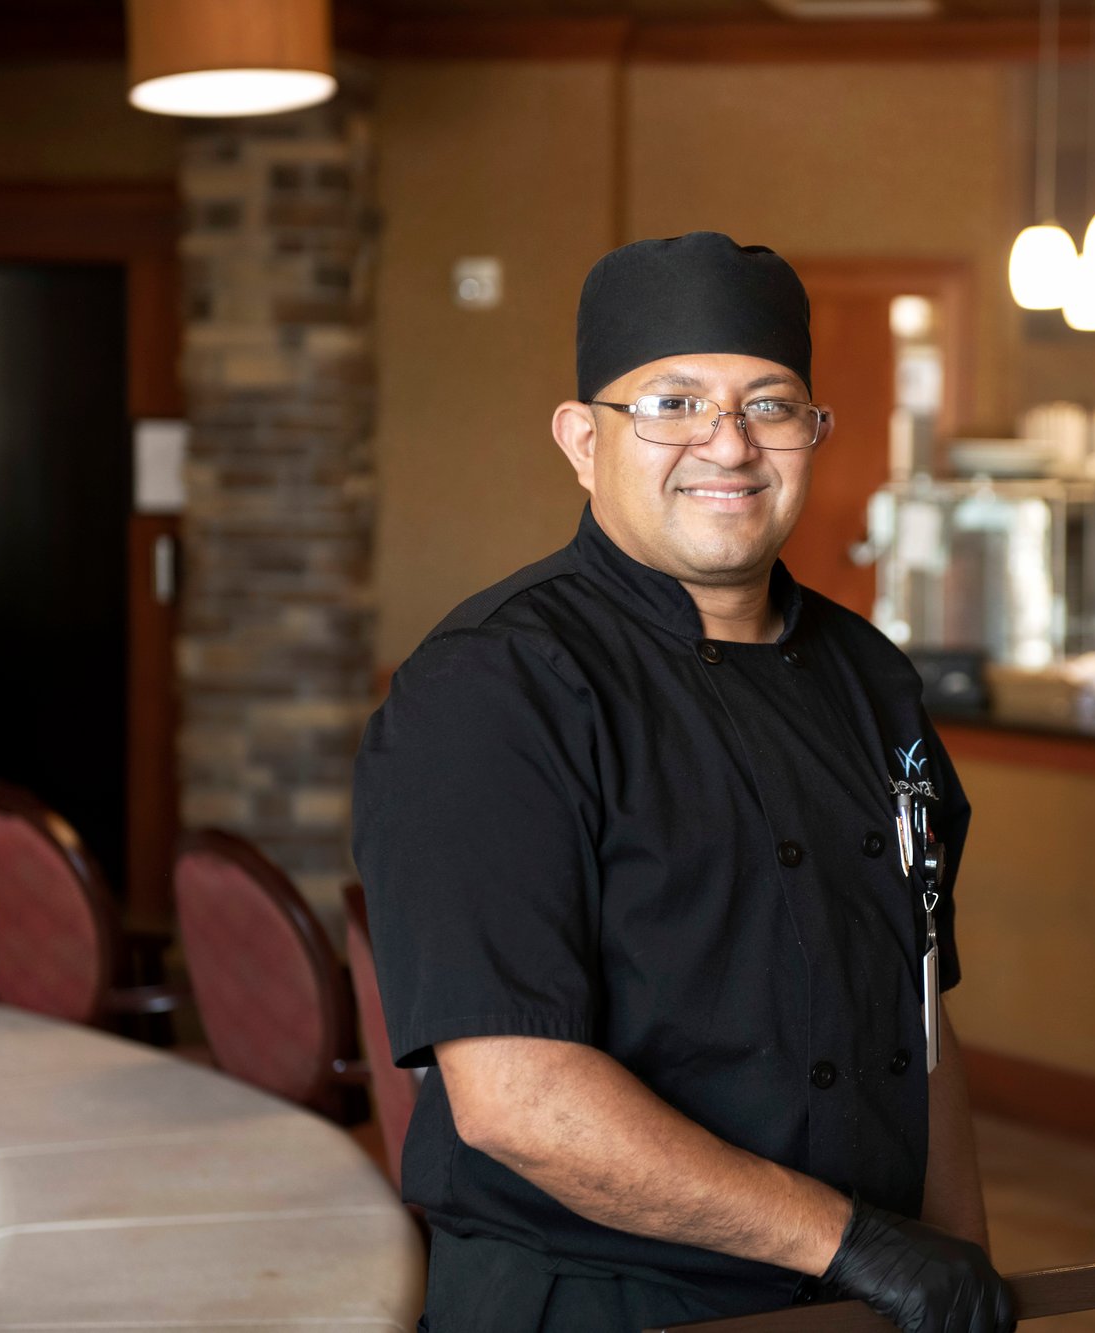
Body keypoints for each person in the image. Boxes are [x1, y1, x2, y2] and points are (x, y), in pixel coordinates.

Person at [354, 232, 1014, 1333]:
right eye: (670, 402)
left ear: (813, 434)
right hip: (597, 1303)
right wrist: (857, 1243)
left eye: (768, 405)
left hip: (852, 1301)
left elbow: (921, 1015)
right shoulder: (490, 688)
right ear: (580, 440)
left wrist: (956, 1265)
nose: (728, 444)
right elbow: (517, 1099)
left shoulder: (870, 678)